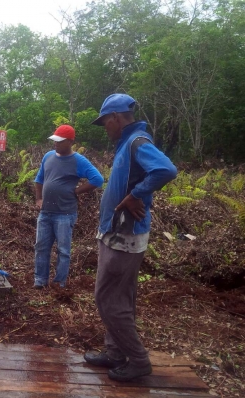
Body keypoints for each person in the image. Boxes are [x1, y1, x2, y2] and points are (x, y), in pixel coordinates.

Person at [84, 94, 177, 381]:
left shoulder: (137, 142)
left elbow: (166, 170)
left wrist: (136, 194)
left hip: (124, 236)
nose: (105, 129)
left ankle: (138, 360)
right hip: (116, 233)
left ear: (115, 117)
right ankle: (115, 353)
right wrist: (134, 193)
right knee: (119, 297)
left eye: (105, 123)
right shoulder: (128, 143)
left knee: (109, 300)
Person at [33, 125, 103, 289]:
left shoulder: (78, 161)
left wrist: (77, 191)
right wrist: (38, 199)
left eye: (60, 141)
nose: (55, 144)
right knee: (41, 247)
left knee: (63, 251)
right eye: (55, 140)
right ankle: (40, 280)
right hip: (45, 212)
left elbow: (97, 179)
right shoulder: (48, 156)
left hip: (64, 214)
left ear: (71, 142)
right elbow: (39, 179)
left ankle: (59, 283)